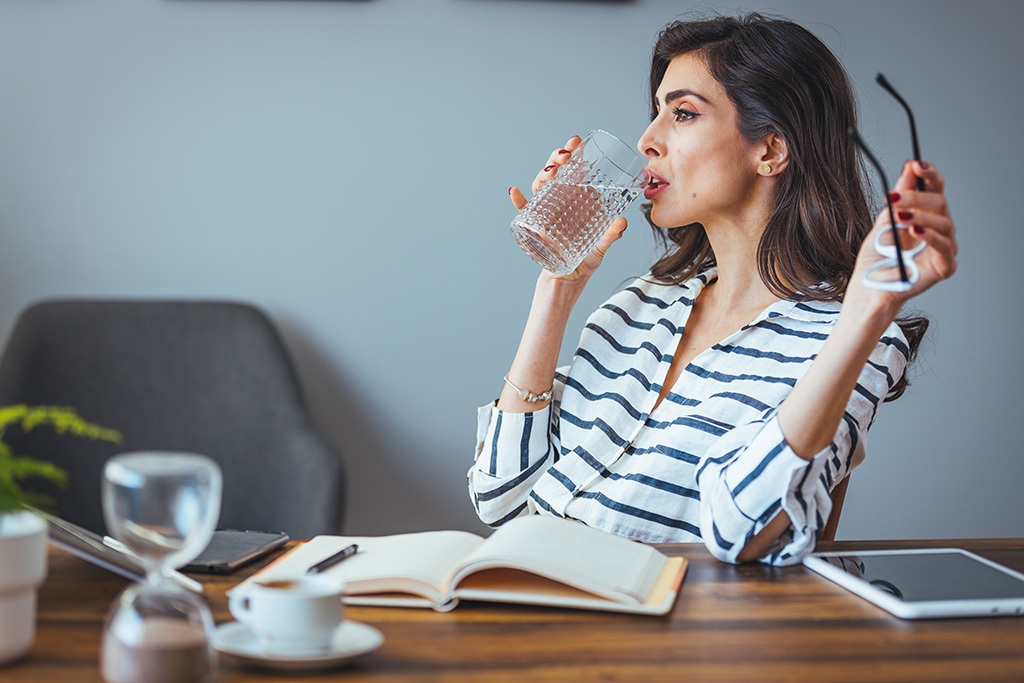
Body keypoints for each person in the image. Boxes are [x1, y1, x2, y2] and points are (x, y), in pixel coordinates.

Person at [468, 13, 957, 565]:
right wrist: (558, 285)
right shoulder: (638, 305)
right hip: (532, 603)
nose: (647, 140)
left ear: (770, 150)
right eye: (656, 112)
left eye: (682, 113)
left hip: (664, 637)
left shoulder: (851, 335)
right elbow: (500, 497)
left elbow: (739, 535)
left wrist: (866, 311)